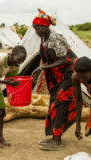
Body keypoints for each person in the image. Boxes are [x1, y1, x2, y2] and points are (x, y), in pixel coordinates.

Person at [31, 9, 77, 151]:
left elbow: (64, 59)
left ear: (45, 27)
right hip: (57, 75)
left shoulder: (55, 38)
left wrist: (43, 68)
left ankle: (57, 141)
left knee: (60, 102)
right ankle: (55, 135)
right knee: (54, 102)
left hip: (69, 73)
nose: (36, 31)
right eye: (35, 28)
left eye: (38, 28)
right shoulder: (44, 38)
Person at [71, 56, 91, 139]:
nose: (82, 80)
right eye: (80, 77)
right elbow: (78, 100)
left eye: (85, 77)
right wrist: (77, 125)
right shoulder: (75, 77)